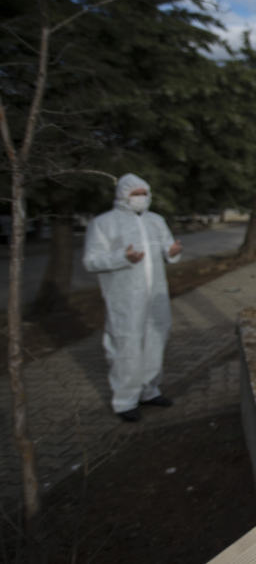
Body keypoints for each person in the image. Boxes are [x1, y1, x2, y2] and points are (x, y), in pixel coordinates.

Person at [83, 174, 182, 422]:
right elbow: (91, 261)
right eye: (134, 194)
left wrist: (171, 253)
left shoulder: (156, 221)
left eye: (143, 193)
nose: (140, 198)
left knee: (155, 341)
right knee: (126, 346)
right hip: (124, 297)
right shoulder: (104, 223)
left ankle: (149, 390)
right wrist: (122, 258)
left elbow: (167, 249)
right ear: (122, 195)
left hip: (156, 295)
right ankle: (124, 400)